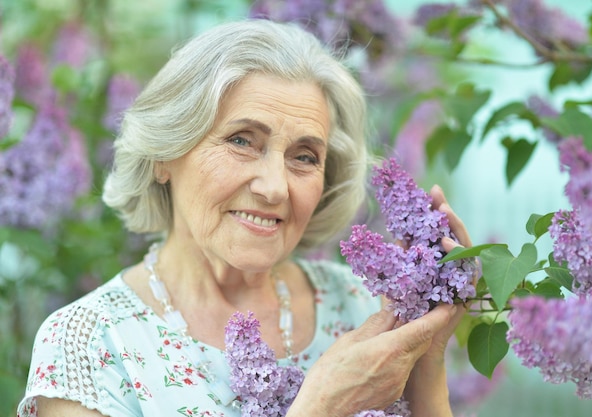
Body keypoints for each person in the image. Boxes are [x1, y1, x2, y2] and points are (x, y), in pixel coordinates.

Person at [17, 19, 473, 417]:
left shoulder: (364, 305)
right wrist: (321, 409)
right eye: (241, 141)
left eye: (304, 156)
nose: (274, 187)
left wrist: (427, 352)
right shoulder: (88, 343)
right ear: (163, 155)